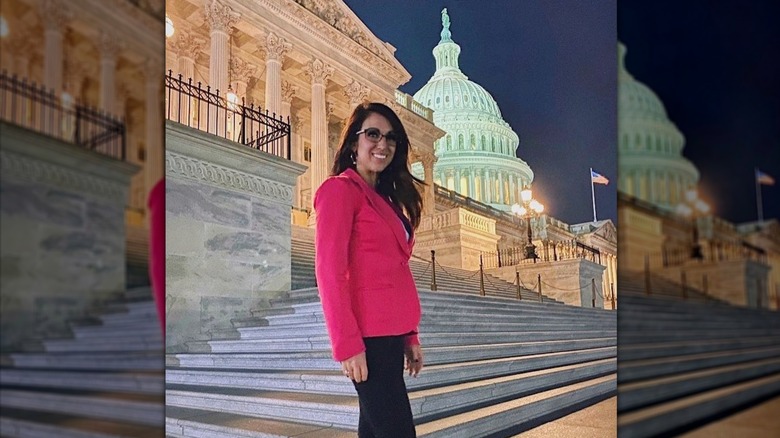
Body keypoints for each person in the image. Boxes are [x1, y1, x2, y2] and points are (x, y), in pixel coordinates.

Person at [314, 102, 425, 437]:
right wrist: (347, 345)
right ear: (353, 143)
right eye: (373, 134)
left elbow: (393, 272)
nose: (383, 144)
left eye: (391, 138)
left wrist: (410, 334)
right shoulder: (339, 190)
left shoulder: (385, 200)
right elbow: (329, 272)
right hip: (367, 339)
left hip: (391, 336)